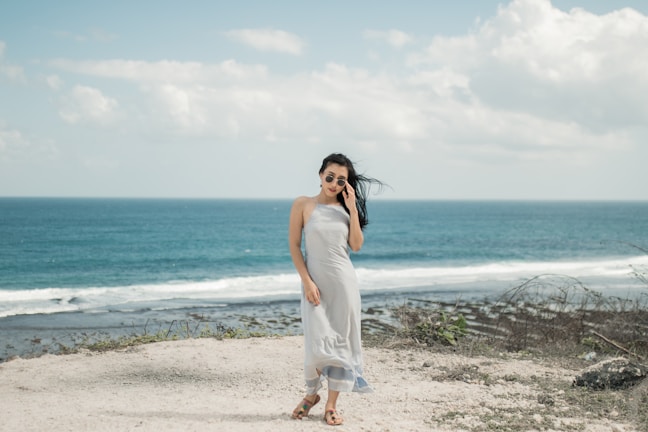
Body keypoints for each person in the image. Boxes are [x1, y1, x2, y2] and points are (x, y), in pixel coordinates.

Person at [288, 153, 381, 426]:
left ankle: (330, 405)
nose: (333, 183)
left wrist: (352, 208)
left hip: (344, 285)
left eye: (341, 180)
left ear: (346, 185)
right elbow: (294, 246)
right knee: (317, 343)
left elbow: (356, 245)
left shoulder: (345, 210)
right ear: (320, 175)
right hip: (315, 284)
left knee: (341, 343)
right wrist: (307, 281)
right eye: (330, 177)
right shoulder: (303, 205)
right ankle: (311, 393)